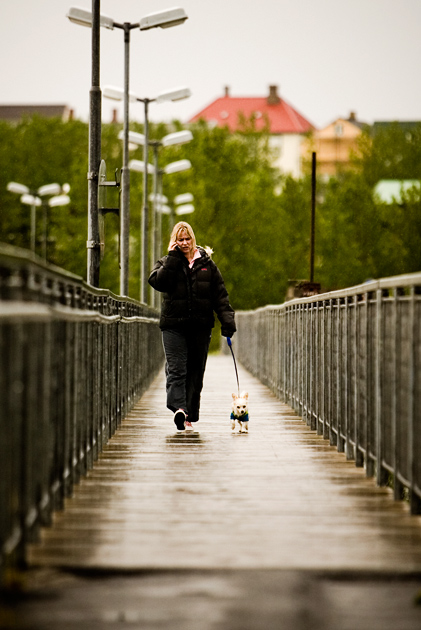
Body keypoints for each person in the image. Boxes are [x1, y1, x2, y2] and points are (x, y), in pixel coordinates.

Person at [148, 221, 236, 431]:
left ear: (193, 239)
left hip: (200, 327)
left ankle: (189, 413)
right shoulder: (167, 262)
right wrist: (172, 258)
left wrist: (227, 321)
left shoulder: (207, 265)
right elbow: (158, 283)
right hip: (173, 326)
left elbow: (220, 297)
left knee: (195, 371)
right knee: (177, 369)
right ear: (174, 242)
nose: (185, 243)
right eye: (180, 240)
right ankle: (179, 409)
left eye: (188, 239)